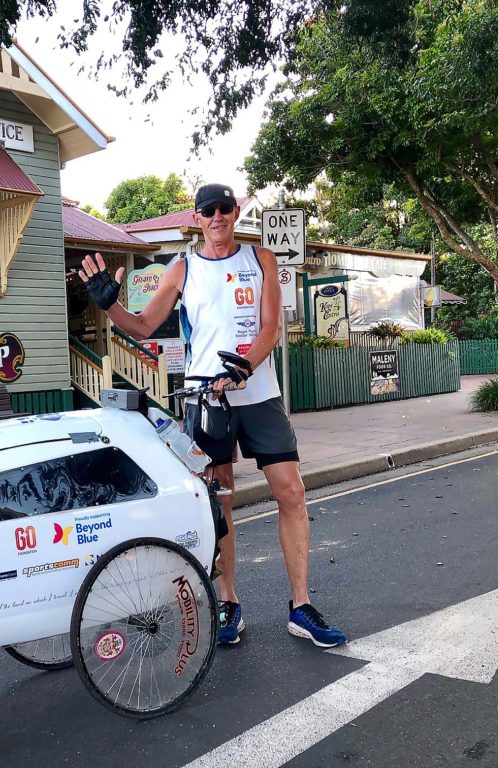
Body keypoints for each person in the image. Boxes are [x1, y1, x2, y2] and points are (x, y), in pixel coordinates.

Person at [77, 183, 346, 648]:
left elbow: (270, 326)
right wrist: (109, 306)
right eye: (209, 211)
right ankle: (228, 602)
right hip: (208, 401)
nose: (218, 217)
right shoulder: (182, 269)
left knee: (292, 493)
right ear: (197, 218)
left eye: (225, 208)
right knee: (219, 503)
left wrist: (245, 366)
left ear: (236, 212)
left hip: (258, 394)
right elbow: (142, 325)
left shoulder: (261, 259)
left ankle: (300, 606)